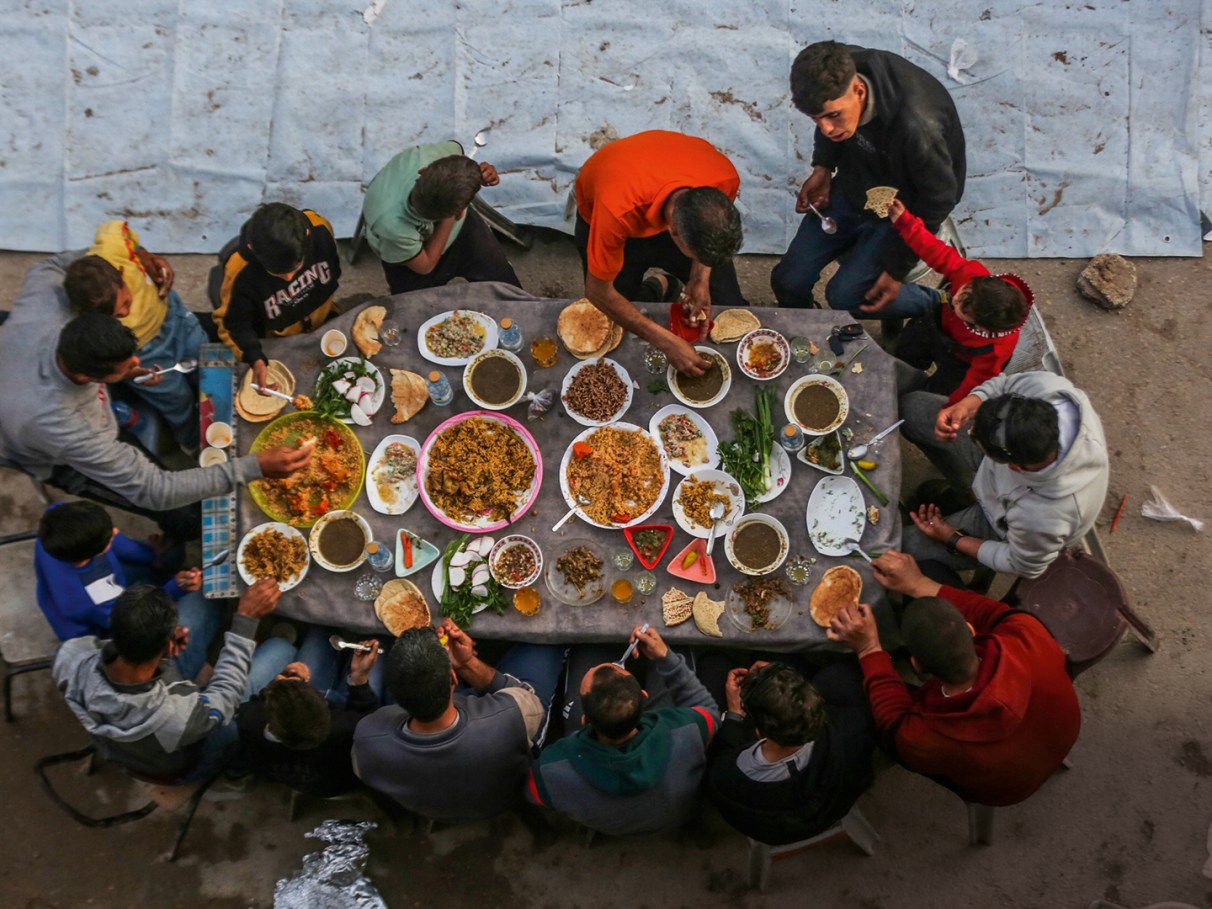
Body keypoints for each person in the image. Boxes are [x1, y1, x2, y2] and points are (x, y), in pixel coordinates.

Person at [0, 312, 312, 540]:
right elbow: (155, 490)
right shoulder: (72, 432)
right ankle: (171, 543)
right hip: (47, 449)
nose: (139, 362)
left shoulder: (45, 306)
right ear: (87, 377)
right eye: (126, 365)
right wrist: (251, 467)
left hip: (33, 384)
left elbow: (62, 266)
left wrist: (125, 371)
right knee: (184, 516)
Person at [828, 551, 1080, 806]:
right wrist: (918, 583)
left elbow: (893, 723)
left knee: (836, 678)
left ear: (917, 665)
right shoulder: (1028, 633)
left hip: (1006, 787)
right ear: (969, 629)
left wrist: (869, 649)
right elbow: (990, 612)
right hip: (1060, 730)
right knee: (931, 570)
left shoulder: (925, 737)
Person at [771, 41, 965, 320]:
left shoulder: (917, 126)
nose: (826, 129)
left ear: (859, 91)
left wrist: (896, 269)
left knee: (845, 296)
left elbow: (939, 199)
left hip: (905, 211)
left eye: (833, 116)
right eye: (816, 120)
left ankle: (945, 303)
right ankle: (806, 328)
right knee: (787, 280)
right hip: (856, 184)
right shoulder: (838, 69)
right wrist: (823, 167)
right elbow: (828, 123)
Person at [53, 579, 294, 782]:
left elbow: (116, 654)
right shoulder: (178, 719)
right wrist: (245, 622)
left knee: (202, 597)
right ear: (169, 645)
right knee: (281, 650)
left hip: (150, 721)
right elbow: (226, 695)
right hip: (179, 760)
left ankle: (192, 676)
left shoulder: (71, 655)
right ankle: (233, 774)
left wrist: (156, 654)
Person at [901, 370, 1109, 579]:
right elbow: (1003, 385)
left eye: (973, 437)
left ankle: (967, 525)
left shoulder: (1046, 517)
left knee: (901, 548)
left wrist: (952, 537)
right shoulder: (1048, 389)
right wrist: (969, 404)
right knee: (912, 409)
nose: (968, 431)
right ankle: (961, 493)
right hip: (1001, 472)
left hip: (1001, 524)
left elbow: (1020, 563)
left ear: (1015, 467)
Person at [353, 621, 565, 822]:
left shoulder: (366, 742)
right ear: (453, 679)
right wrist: (467, 664)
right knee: (548, 639)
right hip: (501, 798)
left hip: (436, 810)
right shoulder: (508, 716)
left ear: (394, 696)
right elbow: (529, 700)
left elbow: (371, 728)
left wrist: (358, 680)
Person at [573, 130, 745, 376]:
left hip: (662, 205)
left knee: (727, 297)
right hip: (612, 213)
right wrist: (666, 342)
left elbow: (708, 242)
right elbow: (598, 292)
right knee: (614, 307)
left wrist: (700, 276)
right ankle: (655, 288)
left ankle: (662, 287)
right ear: (672, 232)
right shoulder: (615, 210)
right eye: (695, 255)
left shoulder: (724, 177)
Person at [525, 625, 718, 837]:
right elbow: (709, 713)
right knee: (677, 645)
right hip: (672, 818)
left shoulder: (550, 771)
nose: (594, 669)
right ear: (644, 697)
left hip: (611, 826)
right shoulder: (686, 731)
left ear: (585, 719)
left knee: (588, 650)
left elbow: (533, 793)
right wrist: (666, 658)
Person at [64, 221, 210, 450]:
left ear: (121, 273)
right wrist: (130, 372)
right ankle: (193, 443)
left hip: (177, 320)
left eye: (125, 303)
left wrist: (143, 253)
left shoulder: (112, 245)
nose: (125, 313)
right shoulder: (84, 326)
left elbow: (116, 227)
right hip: (147, 356)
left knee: (207, 365)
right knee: (177, 401)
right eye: (116, 317)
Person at [34, 502, 218, 680]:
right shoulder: (97, 596)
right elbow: (135, 616)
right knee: (205, 598)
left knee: (170, 555)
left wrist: (153, 555)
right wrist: (175, 588)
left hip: (95, 592)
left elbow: (116, 543)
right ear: (92, 554)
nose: (115, 531)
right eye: (108, 538)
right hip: (107, 626)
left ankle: (162, 572)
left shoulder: (57, 519)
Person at [704, 659, 877, 845]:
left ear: (758, 731)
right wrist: (783, 681)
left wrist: (734, 713)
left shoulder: (725, 776)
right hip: (831, 805)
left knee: (714, 667)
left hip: (772, 831)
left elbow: (720, 758)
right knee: (837, 674)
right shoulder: (851, 731)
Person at [886, 198, 1032, 404]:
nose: (954, 298)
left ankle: (909, 400)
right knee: (905, 354)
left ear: (979, 325)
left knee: (933, 395)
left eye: (961, 307)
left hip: (961, 361)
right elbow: (937, 252)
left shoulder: (995, 351)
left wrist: (954, 407)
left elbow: (973, 383)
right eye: (962, 293)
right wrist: (905, 223)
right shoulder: (973, 277)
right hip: (934, 327)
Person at [362, 141, 520, 295]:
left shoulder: (432, 155)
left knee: (507, 290)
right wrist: (449, 219)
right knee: (411, 312)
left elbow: (456, 157)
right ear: (459, 213)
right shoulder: (392, 226)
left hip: (451, 222)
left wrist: (480, 174)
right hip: (408, 257)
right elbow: (425, 267)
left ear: (424, 170)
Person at [213, 203, 342, 391]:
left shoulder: (319, 228)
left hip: (324, 317)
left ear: (307, 236)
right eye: (277, 274)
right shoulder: (239, 271)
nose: (289, 279)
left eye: (296, 268)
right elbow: (233, 323)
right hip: (281, 338)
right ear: (252, 248)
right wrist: (254, 357)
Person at [235, 640, 381, 798]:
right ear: (324, 706)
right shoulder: (345, 729)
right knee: (380, 658)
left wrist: (279, 687)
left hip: (300, 778)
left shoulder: (249, 719)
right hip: (338, 783)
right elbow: (371, 720)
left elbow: (262, 702)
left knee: (318, 638)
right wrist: (359, 679)